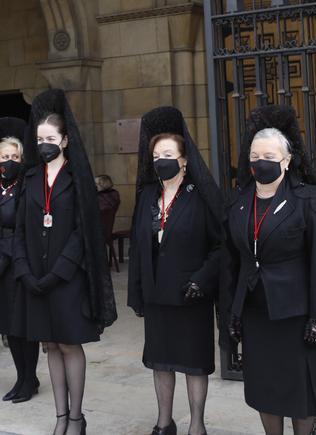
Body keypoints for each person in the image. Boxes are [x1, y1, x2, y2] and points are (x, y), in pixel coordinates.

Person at [223, 105, 316, 435]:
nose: (260, 162)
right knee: (265, 390)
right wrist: (233, 310)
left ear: (286, 160)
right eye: (254, 155)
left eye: (269, 155)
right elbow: (233, 260)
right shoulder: (238, 200)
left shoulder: (307, 199)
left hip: (297, 315)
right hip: (256, 313)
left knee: (302, 392)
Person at [13, 88, 118, 435]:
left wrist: (58, 272)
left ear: (65, 140)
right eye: (39, 138)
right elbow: (20, 231)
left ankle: (76, 417)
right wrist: (26, 271)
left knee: (69, 344)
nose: (44, 143)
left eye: (51, 138)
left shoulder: (77, 180)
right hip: (36, 278)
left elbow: (82, 232)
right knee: (50, 345)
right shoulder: (29, 179)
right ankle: (59, 416)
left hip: (67, 278)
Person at [127, 106, 225, 435]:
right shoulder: (147, 196)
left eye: (167, 154)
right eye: (156, 156)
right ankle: (164, 422)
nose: (160, 161)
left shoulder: (201, 196)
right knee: (160, 362)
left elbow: (221, 245)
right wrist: (138, 291)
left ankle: (197, 425)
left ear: (184, 159)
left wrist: (202, 280)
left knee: (194, 364)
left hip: (190, 295)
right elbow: (138, 247)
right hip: (157, 295)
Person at [0, 117, 41, 403]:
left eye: (15, 156)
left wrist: (5, 260)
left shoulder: (25, 189)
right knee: (8, 326)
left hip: (18, 266)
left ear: (22, 159)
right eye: (5, 157)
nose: (9, 161)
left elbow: (27, 229)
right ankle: (21, 377)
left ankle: (30, 379)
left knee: (24, 327)